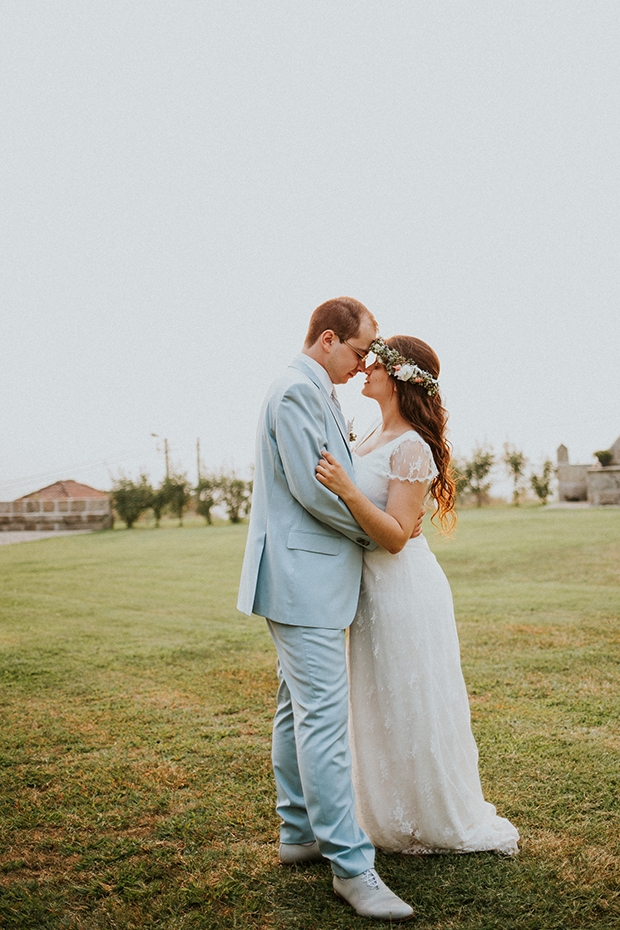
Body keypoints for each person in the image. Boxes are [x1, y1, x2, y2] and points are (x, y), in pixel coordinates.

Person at [237, 299, 415, 921]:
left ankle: (298, 833)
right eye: (361, 352)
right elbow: (314, 489)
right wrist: (378, 533)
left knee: (296, 708)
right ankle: (351, 866)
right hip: (302, 577)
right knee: (323, 720)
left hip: (305, 577)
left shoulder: (316, 390)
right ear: (330, 339)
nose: (364, 364)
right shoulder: (295, 392)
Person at [315, 335, 520, 856]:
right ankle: (381, 812)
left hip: (403, 589)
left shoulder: (411, 446)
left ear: (401, 376)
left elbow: (396, 533)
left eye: (375, 363)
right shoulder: (364, 438)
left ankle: (430, 816)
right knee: (378, 699)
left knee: (411, 699)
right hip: (366, 592)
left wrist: (348, 490)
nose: (364, 369)